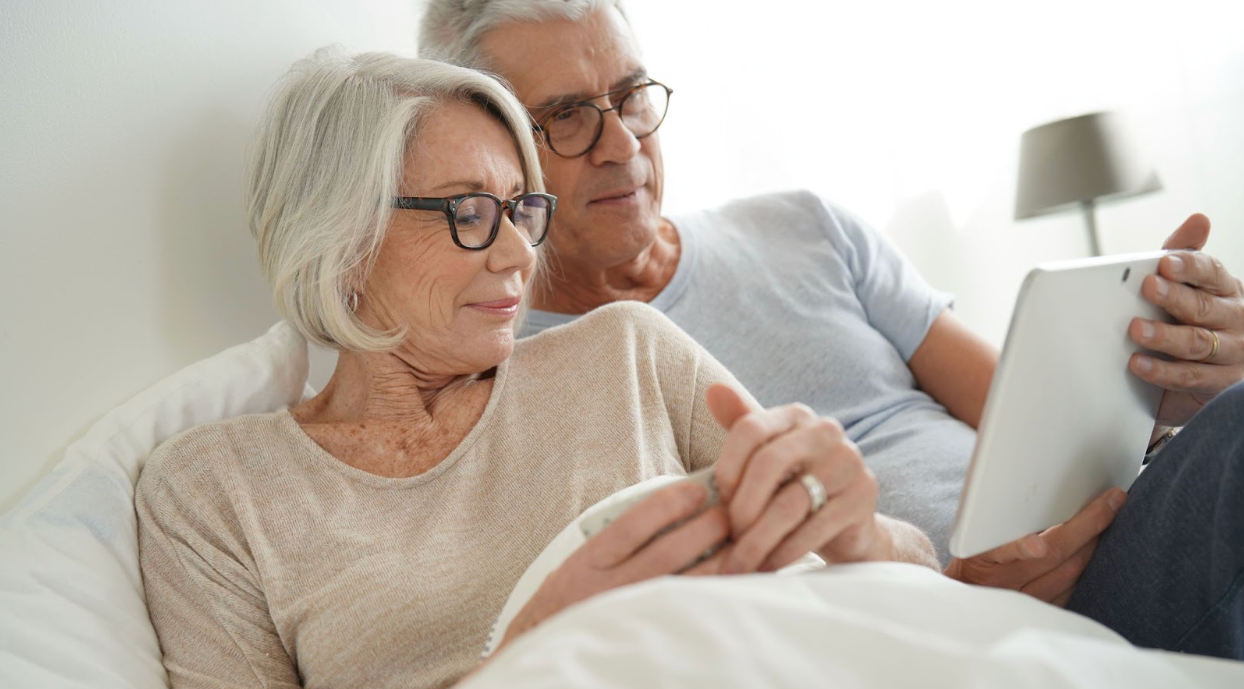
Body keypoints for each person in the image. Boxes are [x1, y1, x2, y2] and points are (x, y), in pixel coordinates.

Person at [136, 49, 940, 689]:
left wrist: (861, 529)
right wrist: (516, 668)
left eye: (522, 208)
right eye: (470, 213)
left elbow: (911, 570)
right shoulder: (213, 490)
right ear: (342, 241)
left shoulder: (626, 350)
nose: (522, 252)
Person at [416, 0, 1244, 633]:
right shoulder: (503, 379)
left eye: (631, 96)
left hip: (1113, 532)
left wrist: (1159, 387)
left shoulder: (804, 223)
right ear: (485, 148)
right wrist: (950, 589)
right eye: (565, 116)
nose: (625, 144)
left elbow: (1020, 403)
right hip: (936, 629)